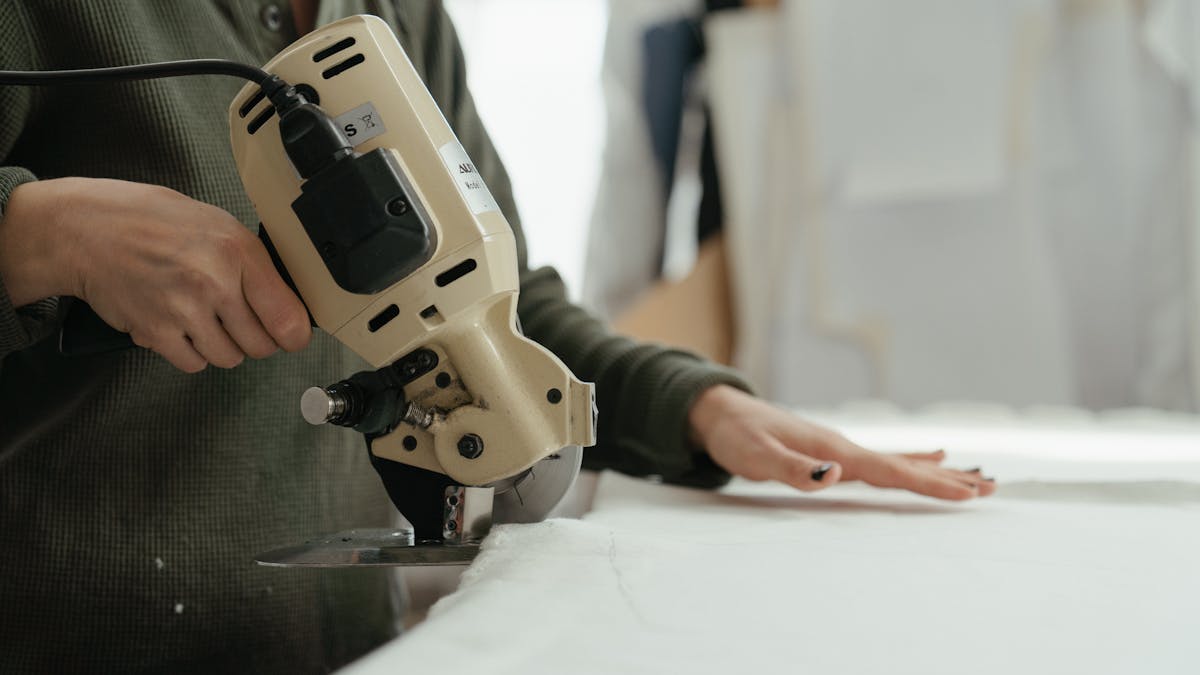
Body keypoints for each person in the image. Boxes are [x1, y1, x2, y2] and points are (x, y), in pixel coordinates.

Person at [0, 1, 994, 672]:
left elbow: (484, 296)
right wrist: (39, 236)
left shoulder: (388, 15)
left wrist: (697, 406)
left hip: (353, 648)